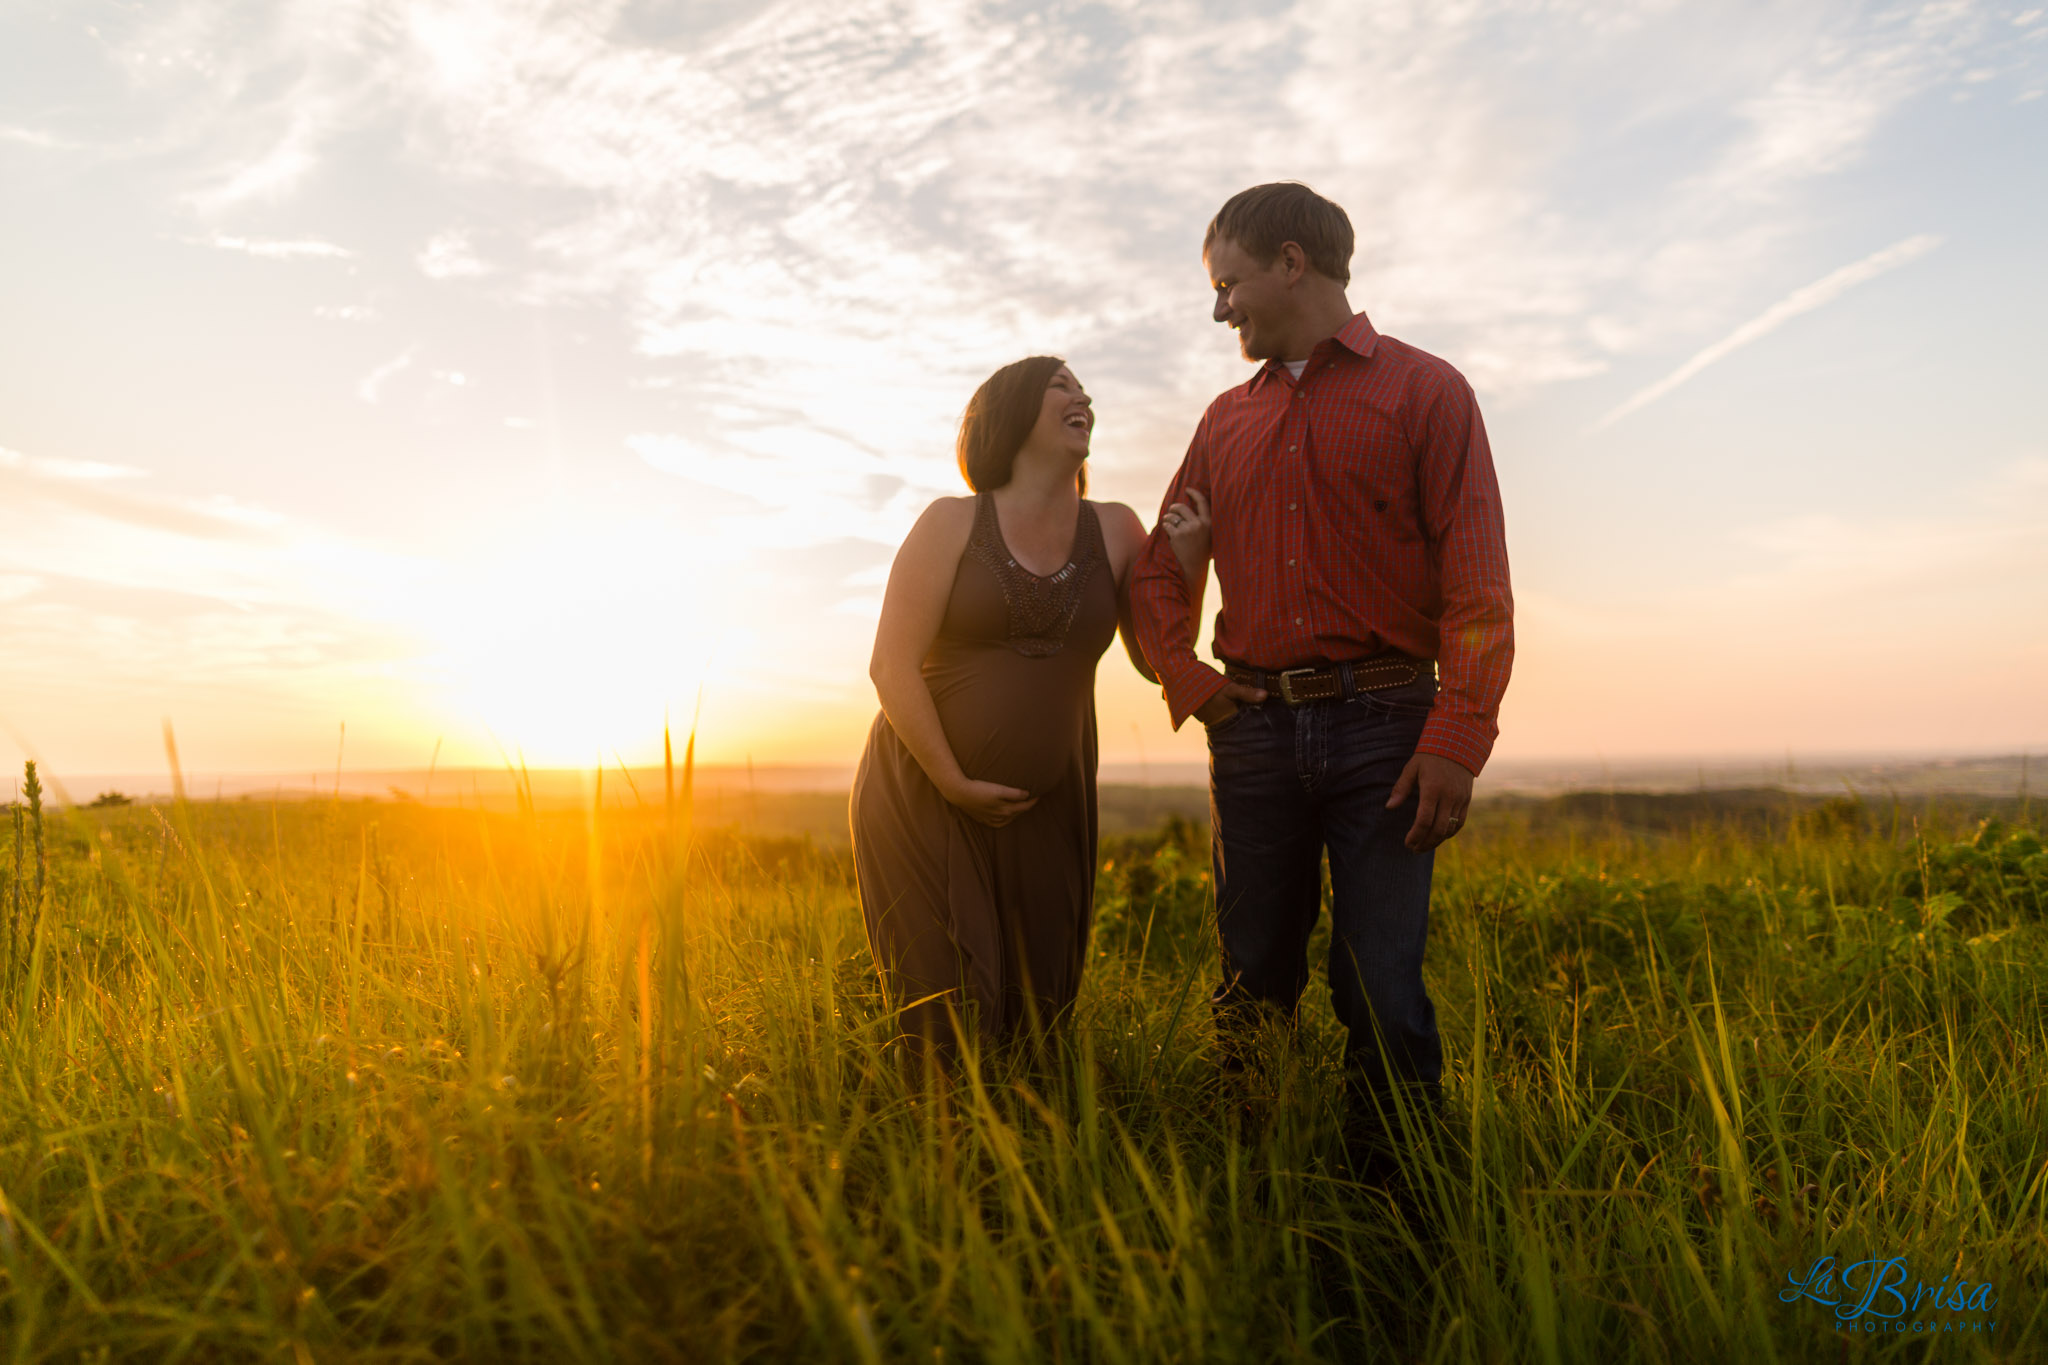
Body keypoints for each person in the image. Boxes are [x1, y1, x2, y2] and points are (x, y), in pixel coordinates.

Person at [1130, 182, 1514, 1176]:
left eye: (1227, 284)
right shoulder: (1222, 422)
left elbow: (1475, 582)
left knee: (1379, 981)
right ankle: (1244, 1187)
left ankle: (1396, 1210)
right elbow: (1150, 576)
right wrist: (1194, 684)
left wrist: (1455, 737)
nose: (1220, 310)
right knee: (1249, 973)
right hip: (1251, 729)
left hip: (1387, 725)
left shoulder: (1426, 393)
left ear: (1291, 261)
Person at [851, 356, 1204, 1063]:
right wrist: (954, 781)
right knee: (937, 1015)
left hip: (1050, 808)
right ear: (1011, 413)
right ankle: (936, 1161)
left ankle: (1030, 1164)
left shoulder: (1115, 528)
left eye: (1084, 389)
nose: (1084, 397)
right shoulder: (952, 523)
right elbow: (890, 665)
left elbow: (1158, 659)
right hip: (924, 797)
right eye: (1062, 386)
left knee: (1036, 1022)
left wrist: (1190, 562)